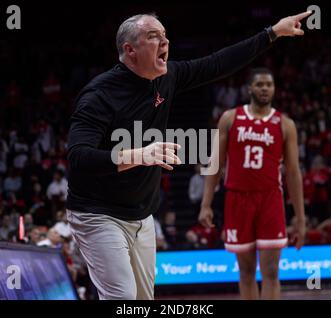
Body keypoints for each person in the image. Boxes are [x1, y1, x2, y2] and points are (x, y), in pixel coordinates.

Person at [66, 12, 311, 300]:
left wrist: (272, 33)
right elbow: (78, 158)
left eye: (164, 34)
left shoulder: (166, 77)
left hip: (141, 214)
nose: (165, 41)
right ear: (129, 50)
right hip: (96, 213)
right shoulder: (99, 95)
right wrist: (139, 154)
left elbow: (218, 63)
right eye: (153, 36)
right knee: (122, 298)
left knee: (143, 301)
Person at [198, 68, 306, 299]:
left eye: (269, 84)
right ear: (249, 88)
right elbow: (215, 164)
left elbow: (293, 173)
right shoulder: (230, 118)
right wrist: (205, 204)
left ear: (275, 89)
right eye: (260, 84)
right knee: (246, 272)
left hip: (270, 199)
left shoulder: (285, 124)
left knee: (271, 271)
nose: (265, 88)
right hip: (237, 199)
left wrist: (301, 218)